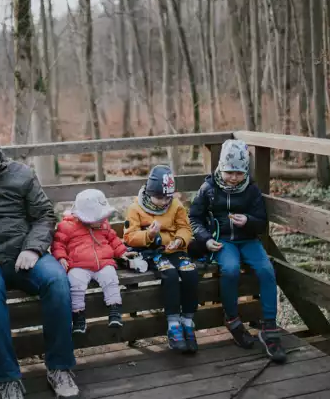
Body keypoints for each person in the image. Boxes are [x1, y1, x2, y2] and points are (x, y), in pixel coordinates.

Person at [0, 116, 78, 399]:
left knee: (57, 281)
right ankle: (7, 378)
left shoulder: (21, 173)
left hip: (23, 253)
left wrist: (33, 248)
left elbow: (44, 215)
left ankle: (59, 368)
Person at [188, 139, 287, 363]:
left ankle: (269, 327)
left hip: (248, 240)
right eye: (229, 172)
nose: (234, 177)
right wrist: (204, 240)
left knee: (266, 270)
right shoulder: (209, 189)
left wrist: (248, 221)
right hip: (223, 241)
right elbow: (194, 217)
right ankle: (232, 319)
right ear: (221, 168)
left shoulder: (251, 190)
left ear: (246, 172)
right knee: (230, 269)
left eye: (239, 173)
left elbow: (261, 222)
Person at [123, 165, 199, 353]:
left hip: (175, 249)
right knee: (170, 275)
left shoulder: (175, 205)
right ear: (149, 193)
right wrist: (148, 235)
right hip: (152, 252)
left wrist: (180, 240)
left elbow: (185, 228)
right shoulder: (136, 208)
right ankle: (173, 325)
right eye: (160, 197)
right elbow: (129, 236)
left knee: (190, 273)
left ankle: (188, 321)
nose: (164, 202)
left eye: (168, 197)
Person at [52, 189, 129, 334]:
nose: (101, 221)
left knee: (111, 278)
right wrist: (61, 257)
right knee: (75, 285)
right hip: (78, 265)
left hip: (103, 263)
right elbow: (58, 244)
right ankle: (78, 317)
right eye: (98, 219)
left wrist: (123, 252)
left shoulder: (103, 224)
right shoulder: (67, 226)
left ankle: (115, 311)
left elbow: (113, 239)